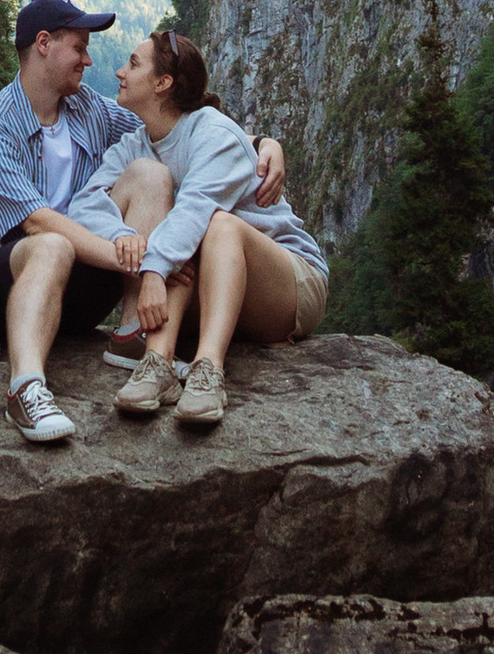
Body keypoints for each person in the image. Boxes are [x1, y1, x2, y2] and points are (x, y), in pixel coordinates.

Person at [0, 0, 288, 444]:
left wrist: (261, 142)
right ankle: (25, 388)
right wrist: (142, 262)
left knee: (149, 174)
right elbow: (36, 223)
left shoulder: (87, 108)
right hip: (12, 283)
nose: (89, 60)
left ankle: (132, 336)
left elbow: (170, 127)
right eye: (80, 47)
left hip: (80, 281)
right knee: (52, 243)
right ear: (44, 43)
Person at [71, 25, 328, 427]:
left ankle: (209, 369)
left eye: (133, 64)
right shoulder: (135, 144)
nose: (120, 72)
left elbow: (194, 210)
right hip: (214, 291)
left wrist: (154, 267)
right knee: (154, 192)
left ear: (163, 83)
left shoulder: (213, 132)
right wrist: (124, 237)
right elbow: (86, 204)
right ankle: (157, 362)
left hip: (288, 285)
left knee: (215, 225)